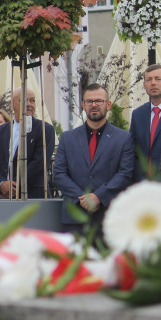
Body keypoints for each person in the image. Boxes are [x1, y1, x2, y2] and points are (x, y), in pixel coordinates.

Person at [52, 84, 135, 229]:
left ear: (108, 105)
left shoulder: (123, 138)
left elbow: (124, 174)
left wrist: (98, 197)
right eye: (89, 101)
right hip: (74, 219)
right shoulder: (67, 138)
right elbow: (59, 174)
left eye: (99, 101)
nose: (94, 105)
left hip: (110, 218)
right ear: (83, 105)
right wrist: (83, 198)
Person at [0, 88, 56, 199]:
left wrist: (12, 186)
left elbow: (39, 164)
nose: (29, 104)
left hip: (32, 196)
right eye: (24, 100)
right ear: (12, 104)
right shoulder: (1, 131)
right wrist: (1, 184)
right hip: (2, 197)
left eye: (32, 100)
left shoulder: (44, 129)